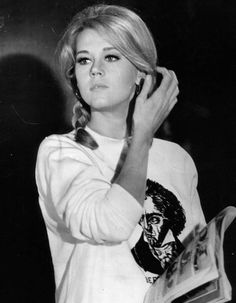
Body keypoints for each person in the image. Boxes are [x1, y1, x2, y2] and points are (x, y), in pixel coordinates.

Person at [35, 4, 206, 303]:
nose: (95, 69)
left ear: (141, 73)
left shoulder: (177, 158)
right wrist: (143, 136)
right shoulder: (61, 151)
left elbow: (198, 269)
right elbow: (110, 224)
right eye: (84, 60)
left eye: (111, 56)